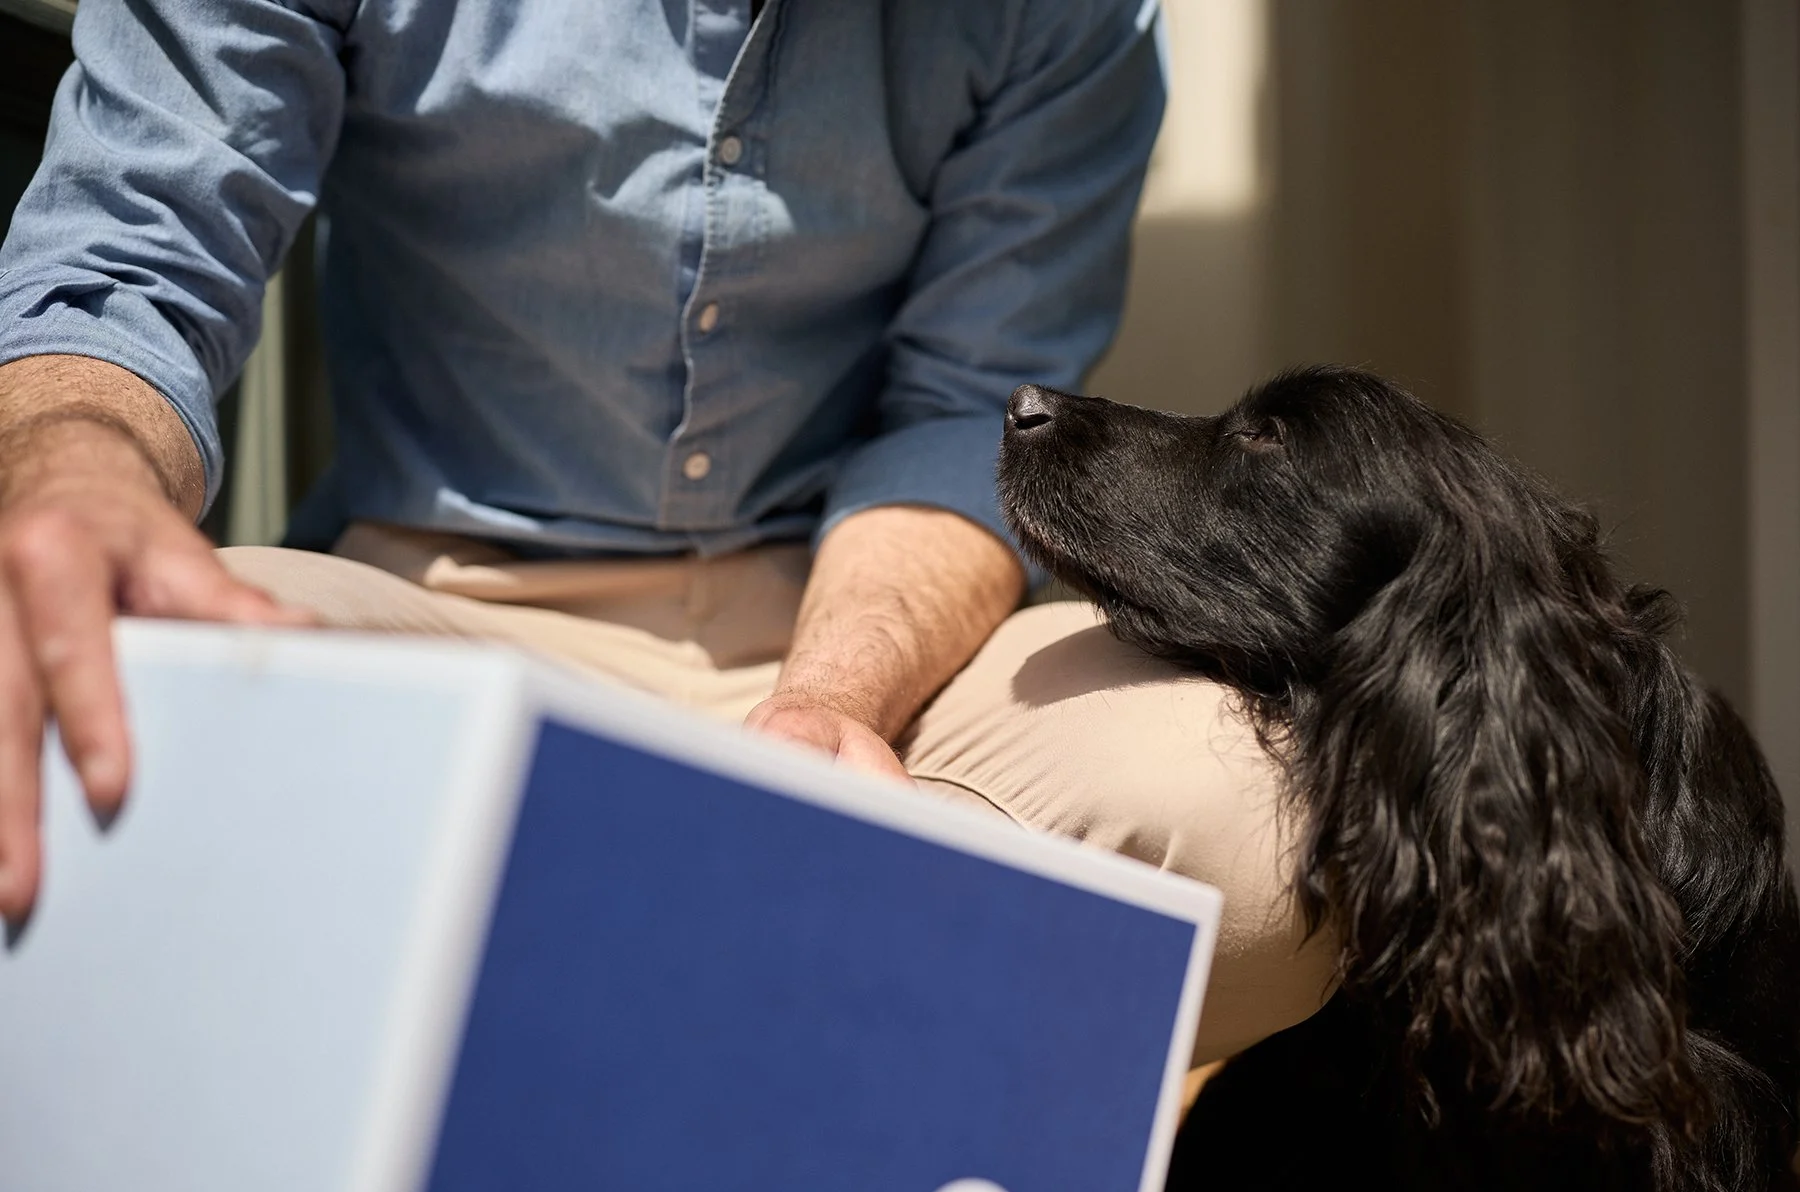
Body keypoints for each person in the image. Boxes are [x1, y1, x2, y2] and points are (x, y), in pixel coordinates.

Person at [0, 0, 1334, 1059]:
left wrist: (827, 709)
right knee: (113, 723)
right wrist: (76, 471)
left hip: (860, 642)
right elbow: (134, 257)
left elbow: (960, 418)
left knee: (1266, 834)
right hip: (437, 597)